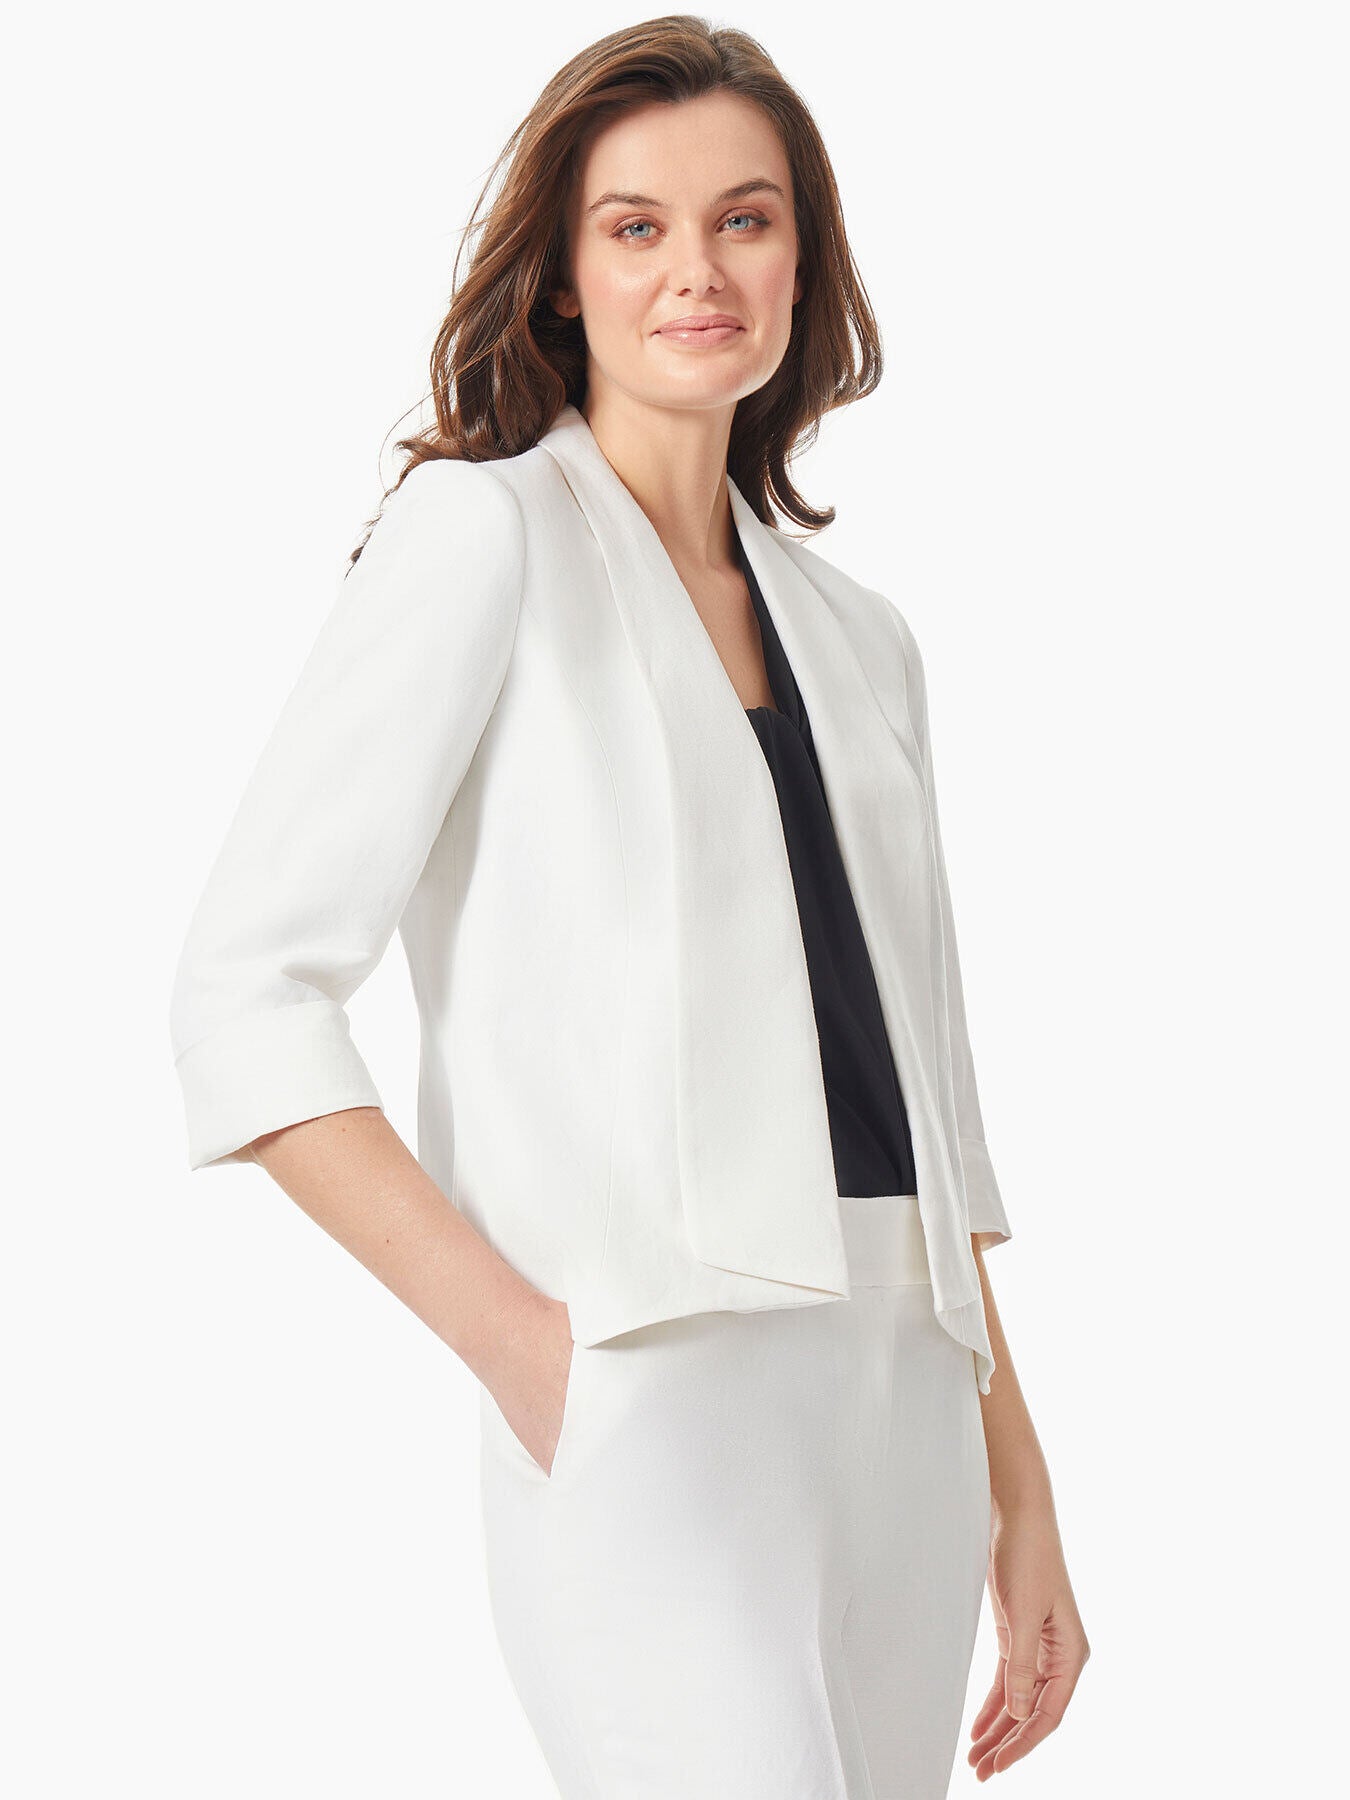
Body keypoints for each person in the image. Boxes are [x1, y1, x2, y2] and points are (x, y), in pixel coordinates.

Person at [169, 17, 1089, 1796]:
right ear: (565, 276)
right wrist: (527, 1349)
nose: (697, 271)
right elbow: (245, 991)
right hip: (653, 1398)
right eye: (636, 227)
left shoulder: (862, 639)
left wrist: (1021, 1489)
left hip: (906, 1397)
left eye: (744, 220)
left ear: (802, 261)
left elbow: (929, 1097)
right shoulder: (485, 540)